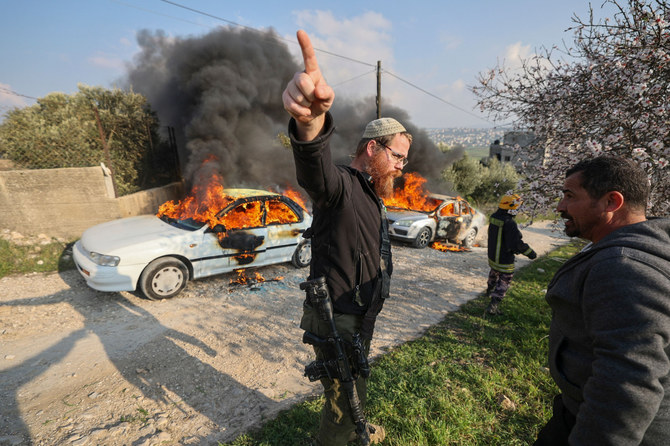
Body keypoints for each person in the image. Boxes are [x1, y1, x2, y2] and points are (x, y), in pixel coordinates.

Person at [282, 30, 412, 446]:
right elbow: (315, 170)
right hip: (336, 313)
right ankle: (343, 436)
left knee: (354, 381)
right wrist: (310, 124)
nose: (401, 168)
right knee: (342, 397)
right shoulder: (341, 186)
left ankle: (356, 428)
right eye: (397, 156)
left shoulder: (372, 194)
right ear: (372, 148)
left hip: (358, 312)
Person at [534, 156, 670, 445]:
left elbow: (627, 386)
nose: (560, 207)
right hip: (575, 411)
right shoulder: (631, 249)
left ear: (611, 202)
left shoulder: (624, 267)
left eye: (570, 196)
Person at [485, 194, 536, 315]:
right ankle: (493, 306)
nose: (518, 211)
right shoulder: (509, 223)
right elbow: (516, 244)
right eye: (517, 208)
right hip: (504, 259)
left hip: (492, 256)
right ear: (511, 208)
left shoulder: (493, 217)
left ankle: (488, 290)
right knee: (504, 281)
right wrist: (531, 253)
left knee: (494, 273)